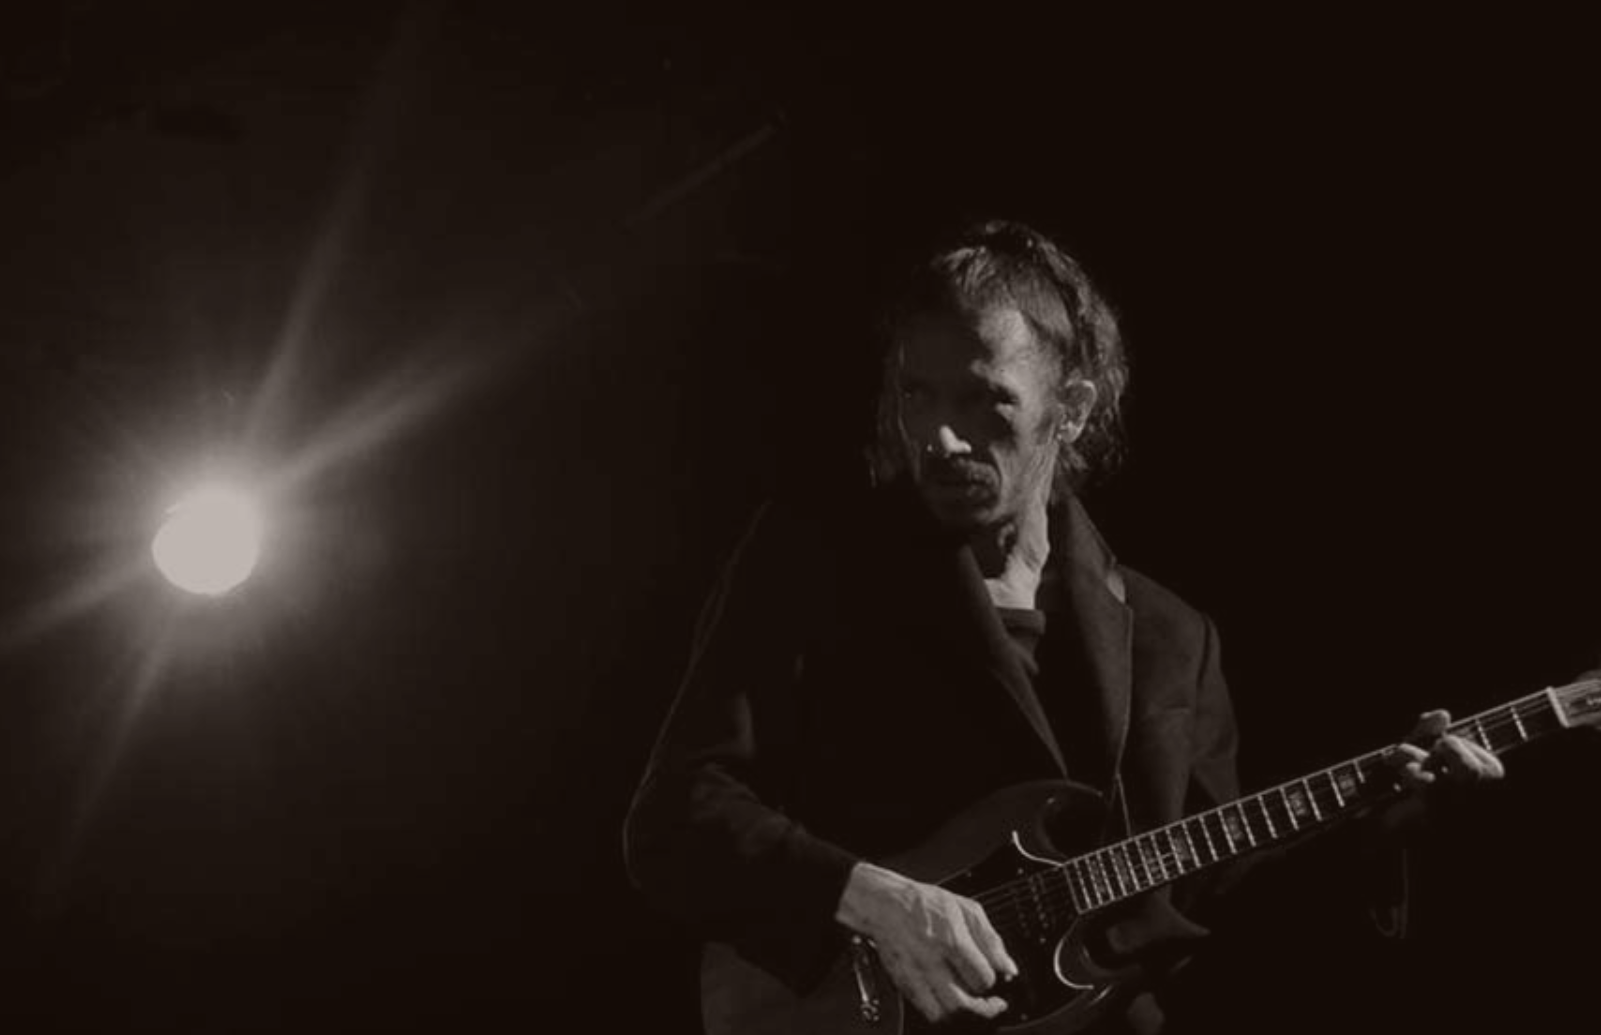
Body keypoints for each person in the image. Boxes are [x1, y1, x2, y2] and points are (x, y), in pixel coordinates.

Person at [623, 220, 1502, 1033]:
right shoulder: (812, 557)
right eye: (916, 394)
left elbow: (1214, 898)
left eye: (983, 401)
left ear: (1070, 407)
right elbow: (678, 812)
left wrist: (1374, 828)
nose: (938, 436)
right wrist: (873, 898)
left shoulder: (1170, 634)